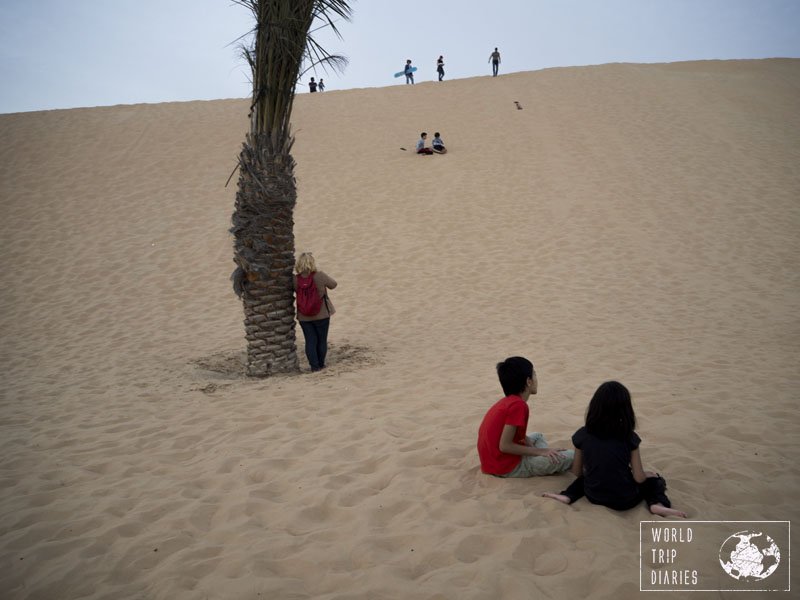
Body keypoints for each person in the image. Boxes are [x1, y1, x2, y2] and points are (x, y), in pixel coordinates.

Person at [543, 381, 687, 518]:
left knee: (585, 479)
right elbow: (638, 477)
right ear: (626, 410)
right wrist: (647, 475)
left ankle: (567, 495)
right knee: (655, 481)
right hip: (624, 500)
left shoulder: (582, 434)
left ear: (594, 407)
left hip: (594, 496)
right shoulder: (629, 437)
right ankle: (657, 504)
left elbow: (576, 471)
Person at [477, 357, 574, 477]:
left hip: (492, 461)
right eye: (534, 374)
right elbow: (505, 446)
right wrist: (541, 451)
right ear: (528, 381)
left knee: (538, 436)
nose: (536, 379)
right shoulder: (518, 406)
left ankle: (547, 459)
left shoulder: (507, 401)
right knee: (572, 456)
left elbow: (511, 436)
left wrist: (538, 452)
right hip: (506, 467)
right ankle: (547, 460)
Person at [294, 252, 337, 372]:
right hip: (322, 314)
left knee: (310, 341)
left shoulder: (295, 279)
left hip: (304, 317)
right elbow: (333, 285)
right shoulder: (320, 275)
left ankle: (314, 367)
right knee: (321, 340)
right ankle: (321, 364)